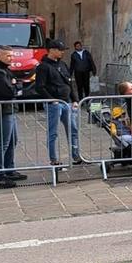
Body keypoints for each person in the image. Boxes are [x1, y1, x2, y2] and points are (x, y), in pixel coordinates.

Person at [35, 40, 81, 168]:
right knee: (53, 132)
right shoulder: (43, 67)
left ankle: (76, 155)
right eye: (60, 50)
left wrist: (75, 99)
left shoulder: (63, 64)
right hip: (54, 104)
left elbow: (69, 83)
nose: (62, 52)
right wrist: (51, 100)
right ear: (52, 50)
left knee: (73, 129)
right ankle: (53, 159)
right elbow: (40, 87)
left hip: (67, 102)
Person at [0, 46, 24, 188]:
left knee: (12, 140)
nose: (11, 58)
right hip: (2, 111)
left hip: (10, 109)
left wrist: (16, 86)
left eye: (12, 55)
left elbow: (17, 84)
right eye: (8, 56)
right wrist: (16, 87)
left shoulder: (5, 70)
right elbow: (9, 91)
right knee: (2, 143)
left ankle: (9, 169)